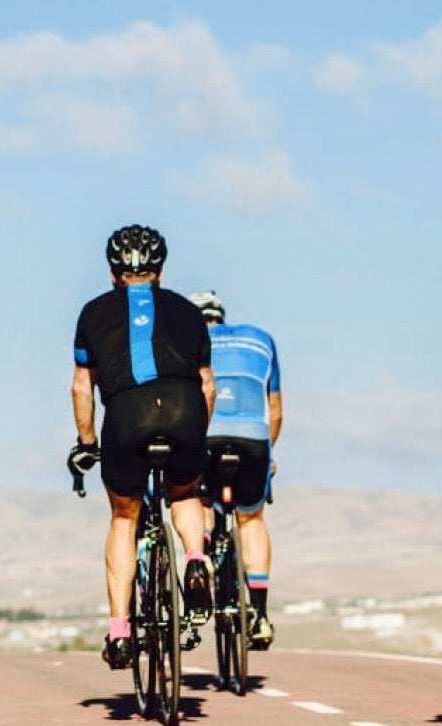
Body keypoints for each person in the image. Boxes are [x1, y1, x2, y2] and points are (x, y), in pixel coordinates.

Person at [69, 225, 217, 671]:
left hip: (126, 414)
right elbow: (207, 384)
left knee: (124, 516)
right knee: (185, 492)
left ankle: (119, 631)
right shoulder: (189, 312)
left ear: (113, 272)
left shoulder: (92, 312)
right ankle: (194, 559)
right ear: (161, 270)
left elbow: (81, 387)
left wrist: (87, 442)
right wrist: (196, 434)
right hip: (184, 407)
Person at [187, 290, 282, 652]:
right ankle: (259, 614)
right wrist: (268, 451)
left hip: (208, 435)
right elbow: (275, 410)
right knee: (252, 519)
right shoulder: (261, 339)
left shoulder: (189, 341)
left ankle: (205, 555)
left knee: (200, 499)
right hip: (253, 438)